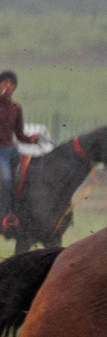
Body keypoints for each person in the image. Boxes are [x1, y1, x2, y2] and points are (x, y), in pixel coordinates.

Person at [0, 71, 37, 229]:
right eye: (5, 82)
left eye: (11, 84)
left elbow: (19, 135)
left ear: (14, 87)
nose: (8, 86)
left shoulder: (16, 108)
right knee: (7, 180)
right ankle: (6, 215)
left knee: (27, 178)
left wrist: (31, 140)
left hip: (12, 150)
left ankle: (22, 214)